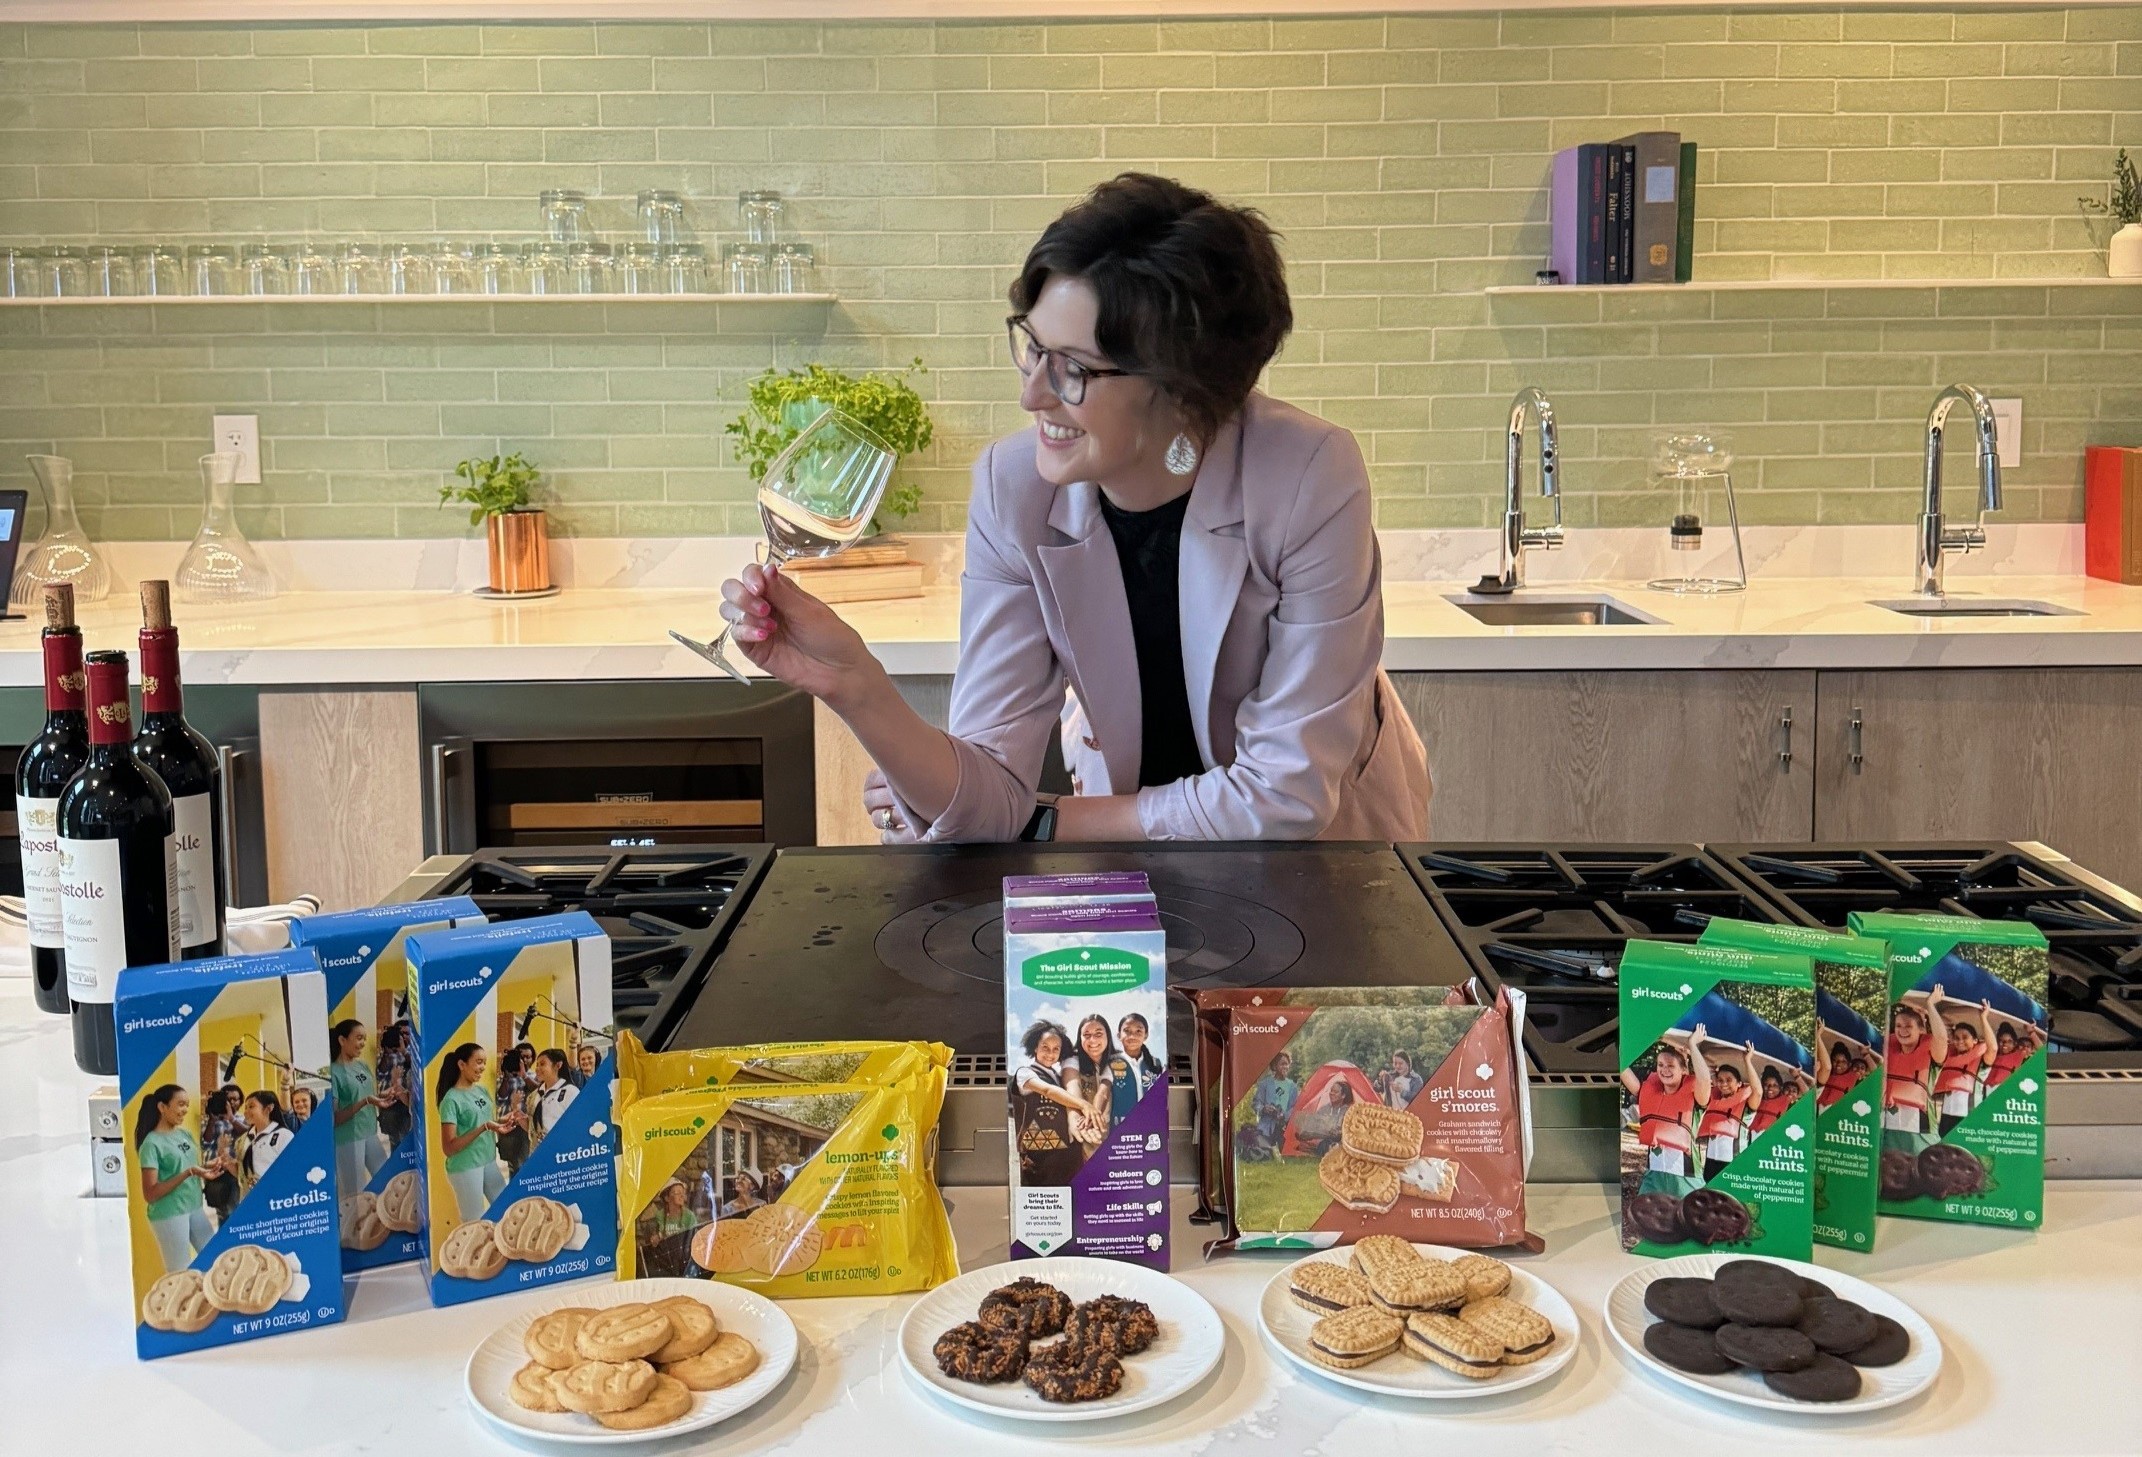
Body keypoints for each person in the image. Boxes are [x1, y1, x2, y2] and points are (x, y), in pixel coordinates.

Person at [718, 173, 1432, 845]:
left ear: (1183, 388)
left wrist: (1048, 821)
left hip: (1323, 851)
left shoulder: (1308, 473)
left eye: (1074, 369)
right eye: (1032, 348)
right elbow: (991, 786)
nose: (1032, 394)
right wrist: (857, 684)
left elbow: (1284, 795)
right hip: (1126, 833)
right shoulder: (1013, 487)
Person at [136, 1085, 216, 1273]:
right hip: (170, 1213)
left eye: (187, 1105)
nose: (185, 1110)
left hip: (194, 1207)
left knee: (214, 1260)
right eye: (180, 1104)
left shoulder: (184, 1134)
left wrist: (208, 1167)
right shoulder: (151, 1144)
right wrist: (188, 1173)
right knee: (180, 1272)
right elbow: (150, 1193)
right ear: (162, 1107)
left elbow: (189, 1167)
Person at [1621, 1031, 1711, 1190]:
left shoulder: (1696, 1097)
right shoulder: (1648, 1091)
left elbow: (1704, 1079)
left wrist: (1692, 1044)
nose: (1664, 1070)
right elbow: (1622, 1068)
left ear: (1683, 1070)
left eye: (1671, 1066)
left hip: (1686, 1177)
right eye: (1660, 1065)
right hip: (1654, 1175)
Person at [435, 1043, 508, 1224]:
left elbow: (483, 1122)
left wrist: (503, 1121)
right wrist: (484, 1127)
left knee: (506, 1210)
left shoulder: (481, 1090)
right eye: (478, 1062)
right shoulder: (451, 1100)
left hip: (488, 1160)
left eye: (484, 1063)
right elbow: (449, 1147)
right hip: (466, 1166)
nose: (483, 1067)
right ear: (462, 1064)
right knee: (474, 1222)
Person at [1012, 1021, 1087, 1185]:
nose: (1050, 1053)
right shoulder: (1025, 1073)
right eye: (1045, 1047)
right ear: (1035, 1047)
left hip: (1066, 1159)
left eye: (1056, 1049)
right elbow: (1048, 1091)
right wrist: (1084, 1105)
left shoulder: (1059, 1077)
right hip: (1039, 1162)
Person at [330, 1020, 388, 1200]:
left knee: (386, 1180)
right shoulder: (333, 1072)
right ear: (342, 1040)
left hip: (369, 1132)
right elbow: (335, 1118)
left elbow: (367, 1094)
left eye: (364, 1038)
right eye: (359, 1038)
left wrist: (384, 1095)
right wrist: (365, 1101)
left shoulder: (362, 1066)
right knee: (356, 1194)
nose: (363, 1043)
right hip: (348, 1138)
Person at [1883, 993, 1949, 1134]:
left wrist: (1930, 1004)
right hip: (1886, 1116)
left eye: (1908, 1026)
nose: (1902, 1030)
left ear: (1920, 1030)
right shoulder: (1888, 1048)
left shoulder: (1932, 1052)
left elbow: (1941, 1037)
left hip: (1919, 1121)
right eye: (1898, 1026)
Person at [1934, 1001, 1996, 1135]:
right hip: (1946, 1118)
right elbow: (1939, 1036)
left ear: (1975, 1040)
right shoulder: (1948, 1057)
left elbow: (1993, 1048)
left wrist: (1983, 1018)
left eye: (1965, 1037)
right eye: (1956, 1038)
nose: (1960, 1041)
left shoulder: (1982, 1061)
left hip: (1969, 1117)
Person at [1697, 1057, 1754, 1182]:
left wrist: (1747, 1061)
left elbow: (1758, 1091)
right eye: (1720, 1080)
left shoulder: (1747, 1105)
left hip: (1733, 1162)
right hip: (1711, 1161)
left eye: (1729, 1080)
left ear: (1739, 1083)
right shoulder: (1714, 1100)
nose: (1724, 1084)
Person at [1066, 1014, 1118, 1148]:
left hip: (1115, 1132)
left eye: (1098, 1034)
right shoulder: (1073, 1060)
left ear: (1108, 1036)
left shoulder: (1118, 1061)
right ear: (1080, 1038)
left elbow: (1104, 1092)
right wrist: (1075, 1117)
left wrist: (1094, 1115)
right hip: (1084, 1132)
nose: (1092, 1040)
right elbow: (1072, 1087)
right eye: (1086, 1035)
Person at [198, 1084, 244, 1223]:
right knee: (222, 1213)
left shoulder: (242, 1119)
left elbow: (248, 1134)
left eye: (236, 1099)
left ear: (241, 1101)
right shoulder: (210, 1120)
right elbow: (205, 1143)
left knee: (233, 1211)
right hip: (216, 1171)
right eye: (229, 1099)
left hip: (234, 1171)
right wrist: (212, 1120)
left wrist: (231, 1119)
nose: (232, 1102)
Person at [1248, 1049, 1299, 1157]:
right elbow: (1256, 1103)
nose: (1285, 1067)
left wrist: (1284, 1115)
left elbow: (1295, 1108)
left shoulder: (1292, 1087)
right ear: (1275, 1066)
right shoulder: (1265, 1084)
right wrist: (1264, 1108)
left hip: (1284, 1127)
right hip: (1266, 1126)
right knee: (1264, 1154)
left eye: (1287, 1064)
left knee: (1288, 1154)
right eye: (1282, 1064)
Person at [1291, 1072, 1356, 1155]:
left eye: (1335, 1092)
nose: (1331, 1093)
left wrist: (1337, 1132)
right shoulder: (1325, 1108)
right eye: (1331, 1091)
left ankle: (1317, 1150)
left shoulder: (1348, 1111)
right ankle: (1314, 1148)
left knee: (1328, 1144)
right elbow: (1315, 1124)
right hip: (1324, 1139)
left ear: (1343, 1095)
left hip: (1341, 1143)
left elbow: (1348, 1133)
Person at [238, 1089, 294, 1184]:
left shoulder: (284, 1135)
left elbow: (291, 1169)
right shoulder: (245, 1138)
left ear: (268, 1108)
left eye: (251, 1106)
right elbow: (242, 1173)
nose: (246, 1112)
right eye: (245, 1108)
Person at [494, 1048, 533, 1176]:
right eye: (523, 1057)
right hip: (508, 1125)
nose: (525, 1060)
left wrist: (523, 1075)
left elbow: (537, 1090)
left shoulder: (530, 1077)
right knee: (513, 1165)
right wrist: (506, 1077)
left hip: (524, 1125)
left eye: (528, 1057)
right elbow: (500, 1100)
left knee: (524, 1164)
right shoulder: (501, 1080)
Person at [528, 1048, 579, 1145]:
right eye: (537, 1065)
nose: (537, 1068)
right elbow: (533, 1128)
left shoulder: (571, 1092)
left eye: (542, 1064)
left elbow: (578, 1125)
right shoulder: (535, 1094)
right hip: (537, 1148)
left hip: (561, 1148)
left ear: (558, 1065)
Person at [375, 1023, 414, 1147]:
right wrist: (385, 1051)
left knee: (406, 1144)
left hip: (407, 1107)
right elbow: (380, 1075)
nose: (405, 1037)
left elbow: (414, 1066)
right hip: (391, 1107)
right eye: (402, 1034)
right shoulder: (385, 1057)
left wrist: (403, 1051)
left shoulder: (413, 1054)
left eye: (407, 1034)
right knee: (395, 1145)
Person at [1751, 1063, 1812, 1135]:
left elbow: (1808, 1095)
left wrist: (1797, 1077)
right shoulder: (1759, 1096)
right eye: (1787, 1089)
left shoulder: (1790, 1103)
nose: (1790, 1093)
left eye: (1794, 1091)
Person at [1986, 1019, 2043, 1088]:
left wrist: (2031, 1033)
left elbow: (2042, 1052)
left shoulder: (2027, 1060)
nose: (2025, 1048)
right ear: (2016, 1046)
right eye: (2022, 1045)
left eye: (2028, 1046)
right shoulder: (1995, 1054)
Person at [1117, 1013, 1163, 1100]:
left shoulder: (1156, 1063)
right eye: (1127, 1030)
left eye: (1138, 1031)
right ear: (1119, 1035)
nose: (1132, 1036)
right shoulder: (1112, 1062)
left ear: (1146, 1035)